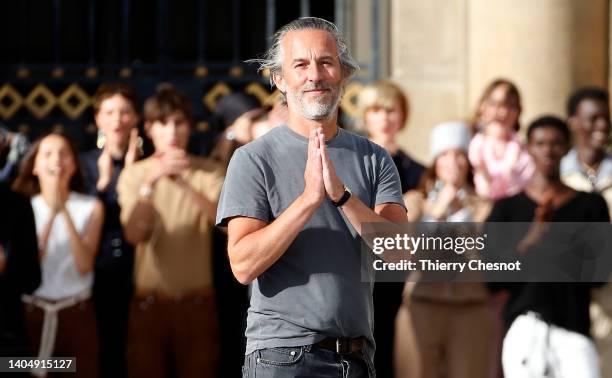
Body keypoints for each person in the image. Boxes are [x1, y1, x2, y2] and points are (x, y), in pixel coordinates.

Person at [217, 17, 407, 377]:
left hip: (356, 358)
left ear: (344, 74)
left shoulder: (374, 157)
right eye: (300, 65)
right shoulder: (252, 159)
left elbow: (400, 253)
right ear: (279, 79)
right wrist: (308, 200)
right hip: (282, 357)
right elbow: (242, 265)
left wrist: (342, 197)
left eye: (326, 62)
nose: (314, 75)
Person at [486, 116, 609, 378]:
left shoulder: (591, 205)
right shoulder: (507, 208)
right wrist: (531, 239)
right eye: (540, 143)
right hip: (524, 327)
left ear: (566, 147)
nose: (548, 150)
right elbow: (493, 277)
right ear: (528, 147)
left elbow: (598, 273)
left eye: (555, 143)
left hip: (574, 327)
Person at [117, 84, 225, 378]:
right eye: (164, 124)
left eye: (179, 122)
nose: (173, 131)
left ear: (189, 127)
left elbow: (225, 224)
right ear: (149, 129)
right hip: (148, 304)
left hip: (198, 303)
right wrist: (150, 183)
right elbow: (133, 235)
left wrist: (184, 184)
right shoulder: (134, 174)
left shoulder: (210, 171)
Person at [394, 122, 493, 377]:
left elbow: (483, 258)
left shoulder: (483, 207)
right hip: (422, 304)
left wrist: (461, 217)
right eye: (446, 154)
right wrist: (436, 214)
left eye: (460, 154)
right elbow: (404, 253)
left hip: (470, 307)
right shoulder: (414, 201)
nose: (454, 162)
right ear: (435, 161)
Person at [12, 133, 105, 377]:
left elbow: (84, 264)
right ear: (34, 166)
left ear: (74, 164)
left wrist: (62, 208)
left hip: (76, 315)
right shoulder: (22, 208)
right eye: (48, 153)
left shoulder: (91, 207)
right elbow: (26, 269)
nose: (57, 160)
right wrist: (50, 215)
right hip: (32, 317)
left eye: (64, 153)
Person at [355, 79, 426, 376]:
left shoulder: (417, 170)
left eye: (390, 110)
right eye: (375, 109)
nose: (384, 117)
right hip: (352, 264)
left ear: (403, 115)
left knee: (386, 346)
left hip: (393, 271)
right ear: (365, 115)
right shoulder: (349, 159)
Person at [80, 83, 141, 378]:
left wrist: (132, 174)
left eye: (125, 112)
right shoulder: (84, 164)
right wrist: (103, 184)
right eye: (110, 112)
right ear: (98, 119)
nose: (118, 120)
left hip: (139, 269)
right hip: (99, 270)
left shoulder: (148, 161)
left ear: (136, 118)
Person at [561, 87, 612, 377]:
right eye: (593, 119)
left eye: (606, 118)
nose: (602, 126)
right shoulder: (555, 178)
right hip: (567, 304)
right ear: (574, 123)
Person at [468, 79, 534, 200]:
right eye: (495, 104)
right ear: (482, 107)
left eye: (510, 106)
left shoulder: (527, 151)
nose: (503, 112)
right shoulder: (469, 148)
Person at [0, 184, 40, 357]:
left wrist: (6, 268)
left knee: (66, 364)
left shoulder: (17, 204)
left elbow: (32, 280)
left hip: (8, 339)